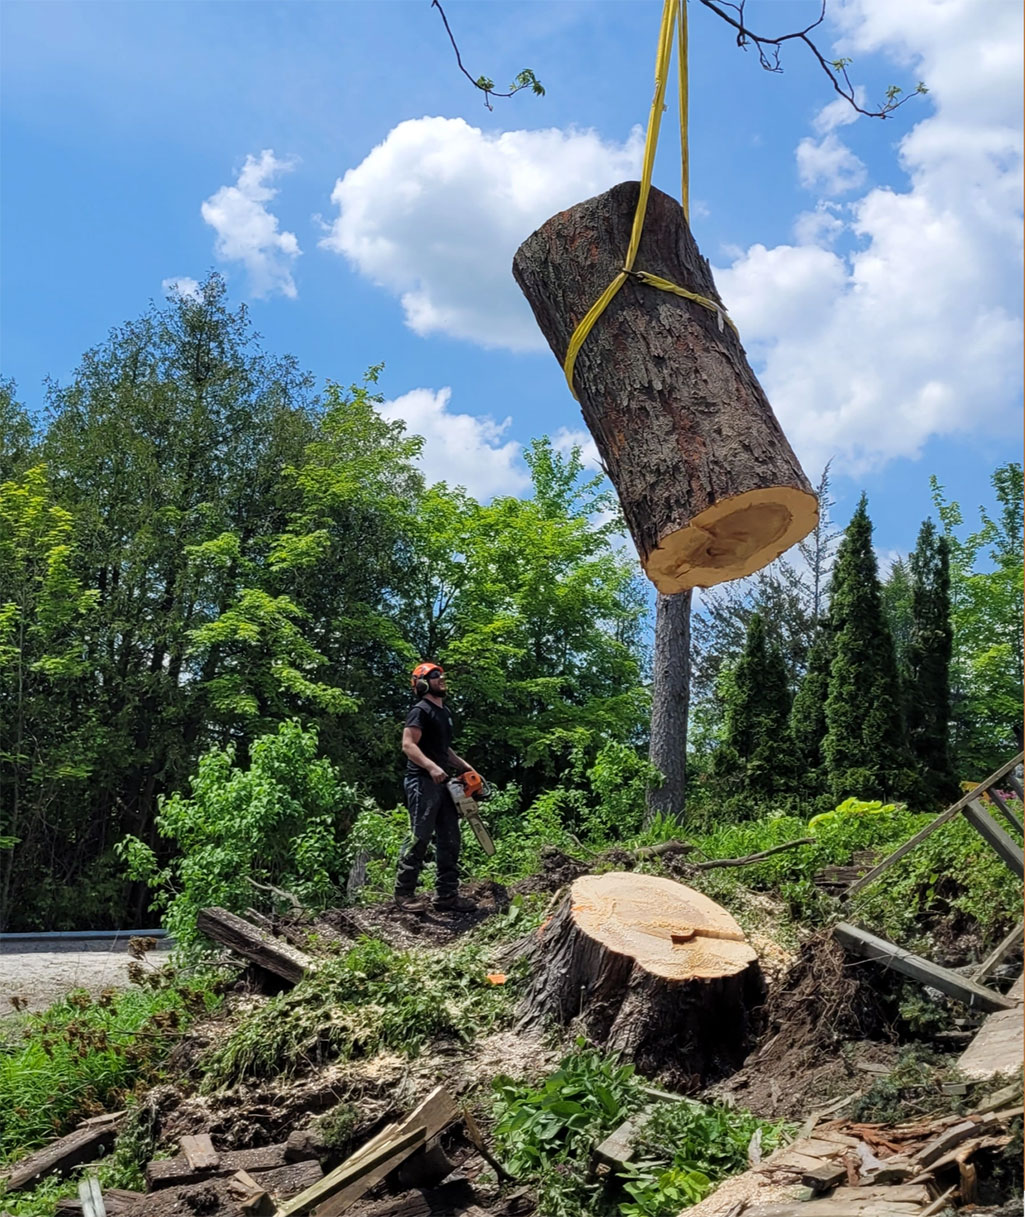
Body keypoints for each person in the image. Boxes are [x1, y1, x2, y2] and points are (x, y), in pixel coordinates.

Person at [393, 662, 477, 913]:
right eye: (435, 676)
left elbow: (445, 750)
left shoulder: (444, 712)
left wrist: (467, 768)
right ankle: (404, 893)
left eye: (441, 674)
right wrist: (431, 767)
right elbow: (408, 745)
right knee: (420, 836)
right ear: (421, 684)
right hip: (422, 781)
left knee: (451, 838)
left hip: (444, 784)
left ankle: (447, 895)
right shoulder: (420, 710)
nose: (442, 678)